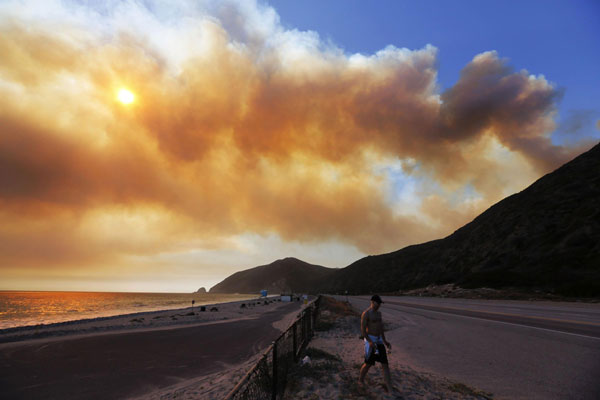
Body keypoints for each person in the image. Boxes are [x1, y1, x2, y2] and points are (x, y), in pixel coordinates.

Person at [358, 294, 392, 392]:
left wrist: (385, 341)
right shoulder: (366, 314)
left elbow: (381, 328)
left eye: (380, 304)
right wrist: (369, 341)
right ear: (372, 302)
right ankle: (360, 380)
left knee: (385, 364)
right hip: (370, 339)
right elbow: (363, 331)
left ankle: (389, 387)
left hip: (379, 340)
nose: (379, 305)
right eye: (378, 303)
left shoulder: (379, 314)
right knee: (368, 363)